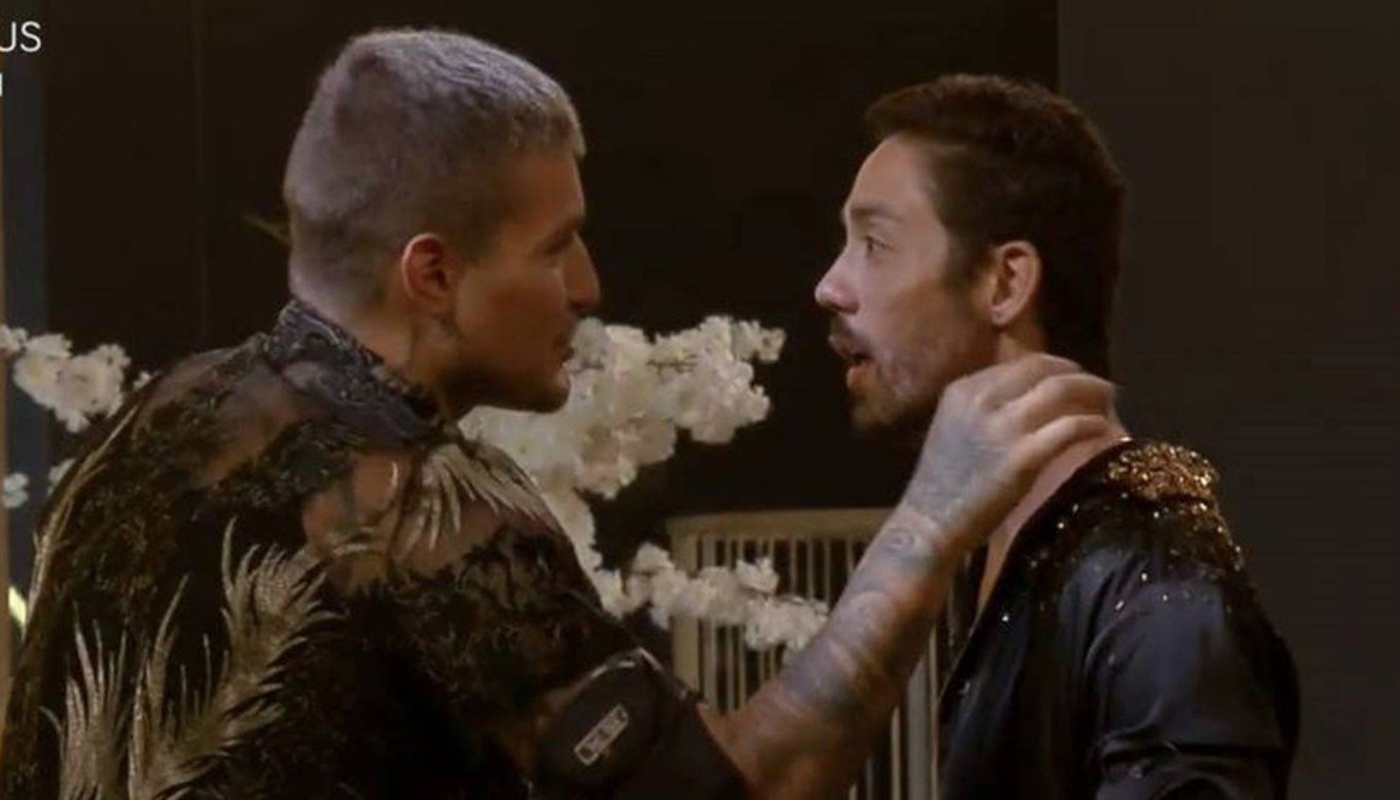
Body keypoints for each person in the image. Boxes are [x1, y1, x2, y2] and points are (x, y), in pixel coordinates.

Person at [0, 30, 1115, 799]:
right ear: (433, 275)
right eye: (555, 247)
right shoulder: (422, 506)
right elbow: (741, 792)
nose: (587, 286)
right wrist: (928, 524)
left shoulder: (156, 416)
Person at [815, 74, 1300, 799]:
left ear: (1005, 282)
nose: (830, 286)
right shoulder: (1019, 545)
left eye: (874, 245)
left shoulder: (1153, 573)